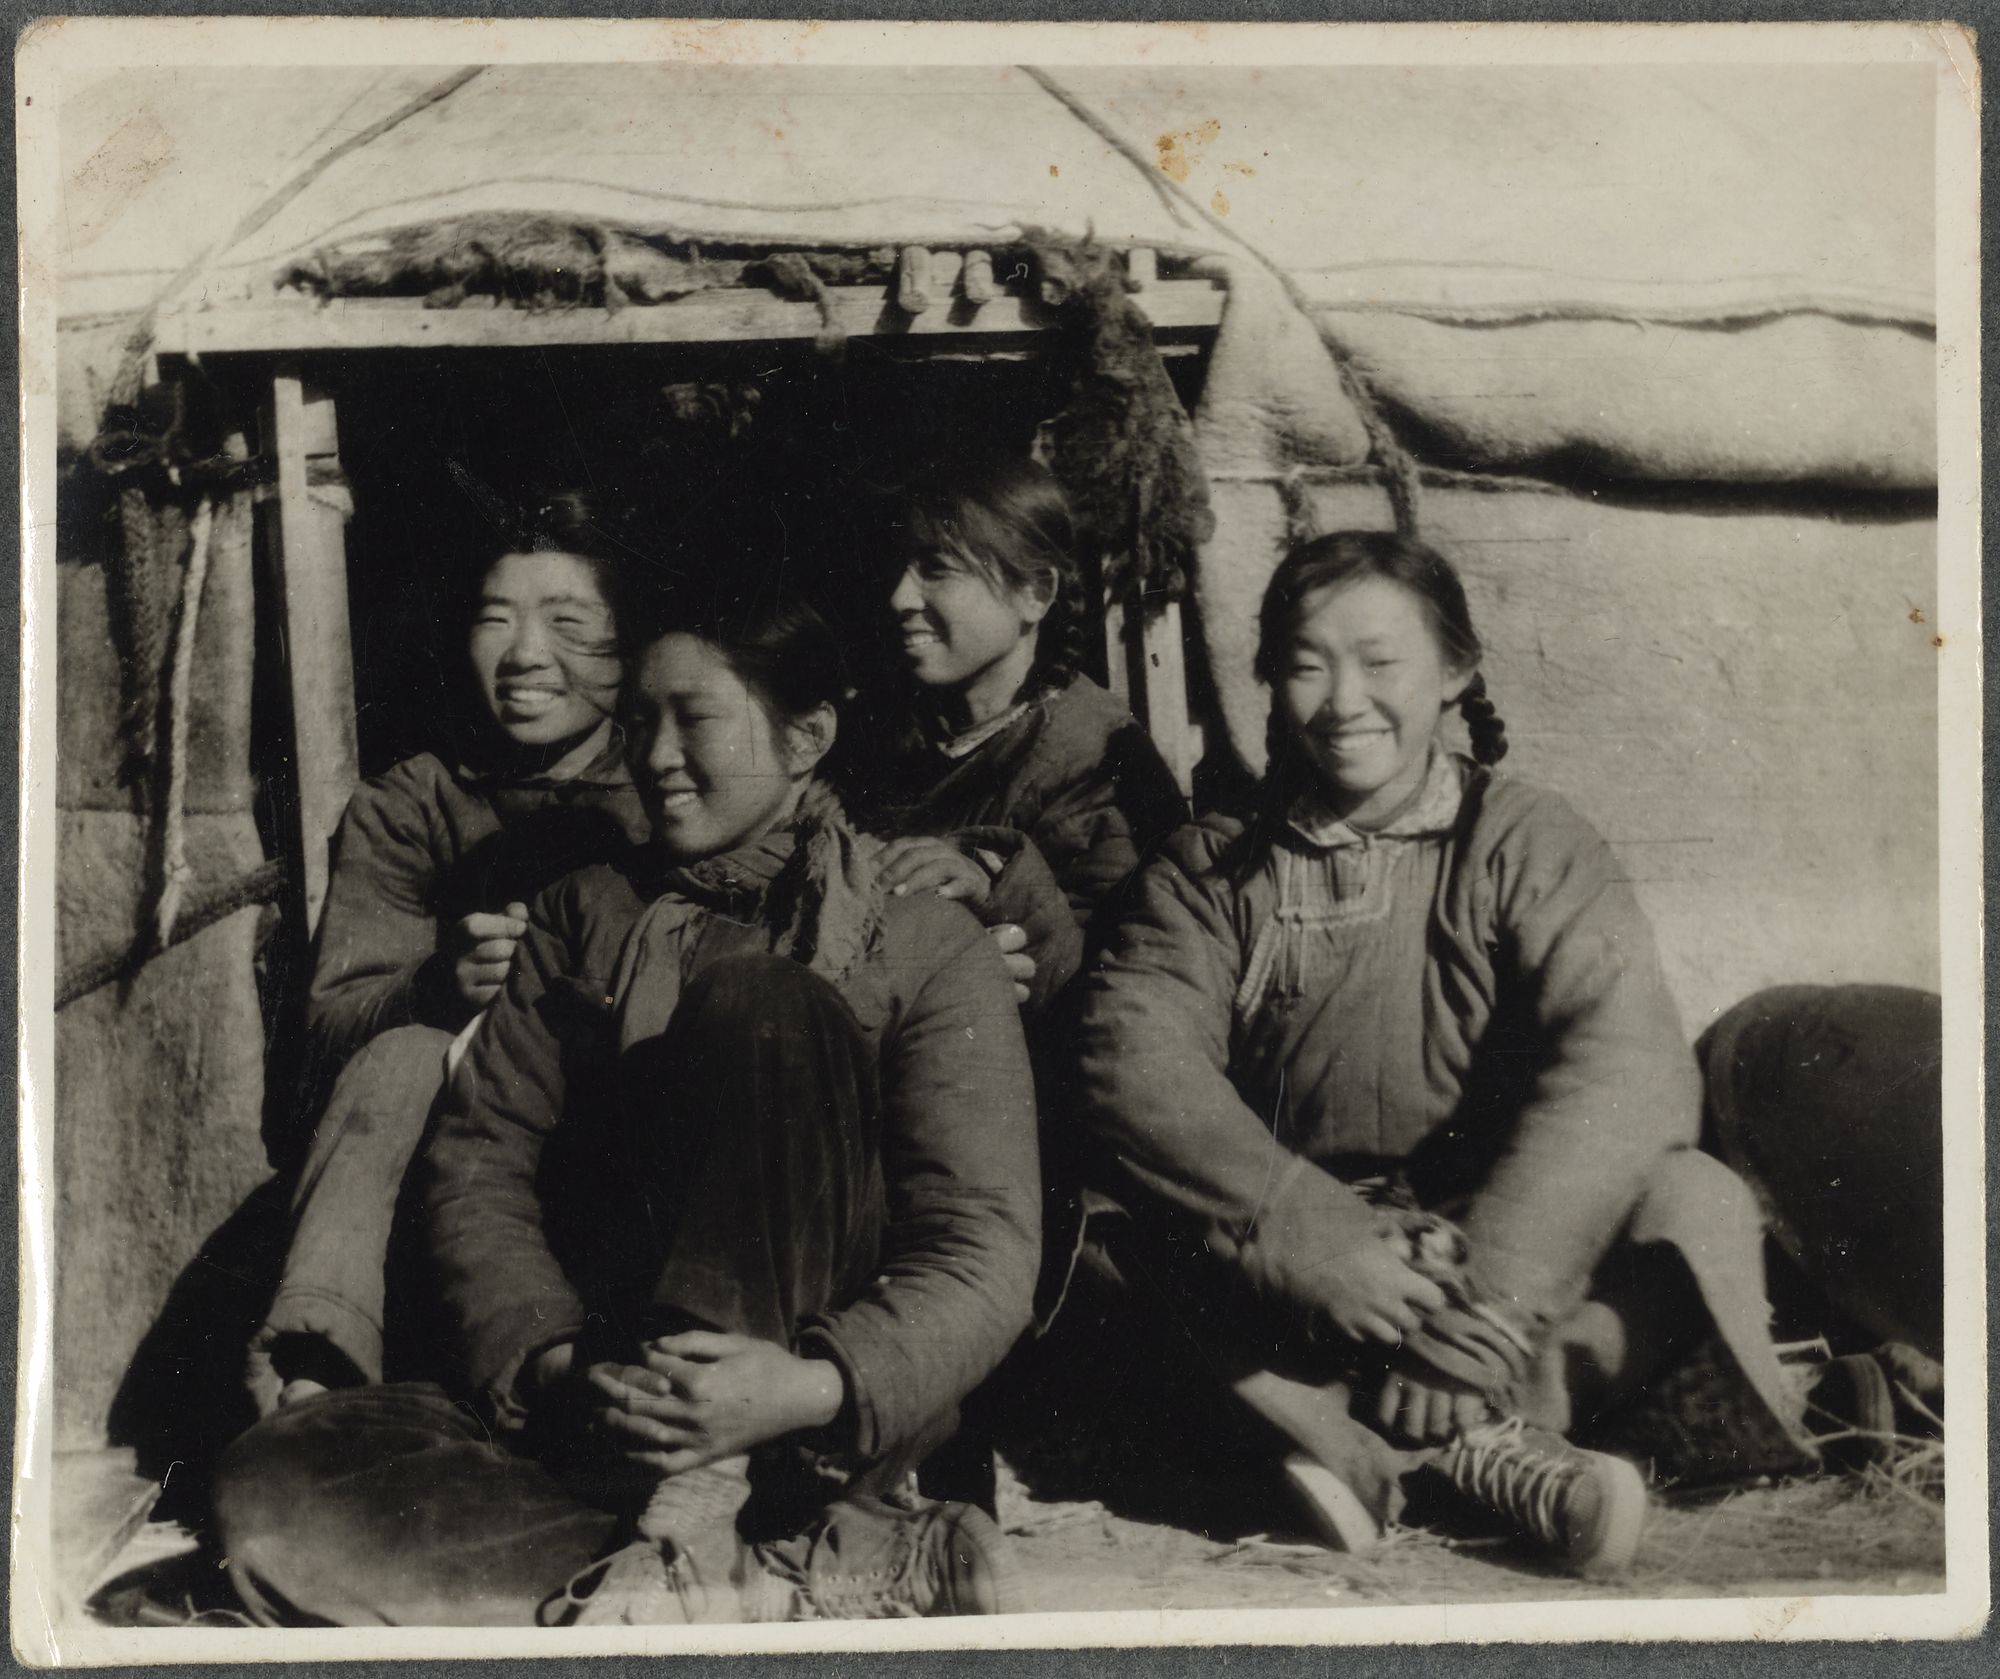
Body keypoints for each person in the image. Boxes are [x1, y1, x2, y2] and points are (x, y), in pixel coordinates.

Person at [212, 578, 1043, 1626]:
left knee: (760, 1005)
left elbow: (984, 1242)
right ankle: (774, 1569)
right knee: (273, 1489)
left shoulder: (921, 939)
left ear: (808, 736)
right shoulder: (582, 914)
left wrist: (810, 1386)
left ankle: (732, 1520)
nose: (652, 754)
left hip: (808, 1421)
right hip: (597, 1403)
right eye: (640, 719)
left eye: (692, 718)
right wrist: (559, 1360)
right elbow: (480, 1168)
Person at [1070, 530, 1820, 1578]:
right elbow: (1131, 1060)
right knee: (1108, 1236)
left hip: (1487, 1248)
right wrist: (1305, 1229)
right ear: (1264, 680)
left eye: (1378, 662)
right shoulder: (1205, 871)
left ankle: (1383, 1441)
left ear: (1453, 671)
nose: (1341, 700)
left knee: (1693, 1199)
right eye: (1302, 662)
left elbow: (1624, 1060)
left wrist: (1485, 1309)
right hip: (1289, 1266)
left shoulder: (1529, 840)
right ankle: (1482, 1450)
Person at [246, 491, 647, 1415]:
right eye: (495, 619)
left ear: (624, 652)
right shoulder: (413, 804)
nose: (524, 655)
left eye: (567, 623)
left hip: (603, 1148)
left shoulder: (666, 785)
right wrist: (433, 986)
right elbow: (329, 1033)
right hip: (440, 1161)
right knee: (400, 1054)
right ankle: (316, 1377)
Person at [862, 455, 1188, 1015]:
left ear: (1034, 594)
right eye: (902, 568)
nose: (901, 598)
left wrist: (995, 893)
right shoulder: (886, 730)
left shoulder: (1103, 767)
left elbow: (1122, 992)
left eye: (937, 568)